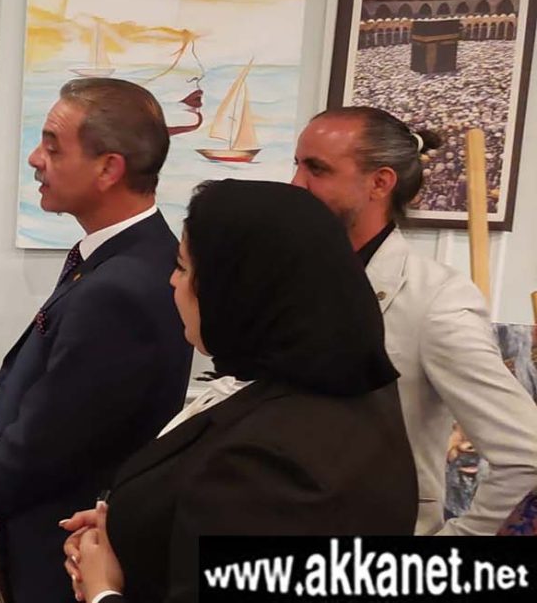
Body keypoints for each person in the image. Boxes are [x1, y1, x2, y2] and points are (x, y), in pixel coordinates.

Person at [66, 180, 417, 603]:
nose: (173, 282)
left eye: (183, 268)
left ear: (239, 289)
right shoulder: (339, 388)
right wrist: (130, 527)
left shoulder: (269, 461)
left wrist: (102, 589)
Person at [0, 78, 191, 603]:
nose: (35, 160)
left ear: (109, 169)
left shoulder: (121, 285)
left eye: (53, 147)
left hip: (68, 548)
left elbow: (61, 424)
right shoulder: (127, 256)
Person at [292, 106, 537, 534]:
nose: (296, 184)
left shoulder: (436, 301)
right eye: (297, 165)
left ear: (380, 183)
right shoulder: (299, 276)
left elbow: (526, 456)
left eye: (317, 169)